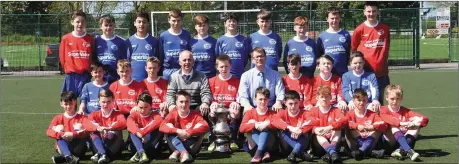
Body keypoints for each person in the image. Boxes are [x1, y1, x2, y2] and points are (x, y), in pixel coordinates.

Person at [351, 1, 391, 105]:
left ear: (378, 12)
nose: (371, 14)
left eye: (374, 11)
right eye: (369, 11)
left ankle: (380, 121)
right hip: (365, 73)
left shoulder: (385, 28)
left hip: (381, 72)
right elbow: (354, 49)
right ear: (364, 12)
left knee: (380, 102)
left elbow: (386, 48)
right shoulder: (359, 29)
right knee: (363, 101)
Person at [379, 84, 429, 161]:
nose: (395, 101)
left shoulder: (406, 111)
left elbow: (425, 119)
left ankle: (400, 150)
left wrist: (415, 123)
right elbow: (389, 119)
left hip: (403, 141)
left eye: (397, 99)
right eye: (392, 99)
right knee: (393, 126)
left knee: (416, 126)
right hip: (389, 143)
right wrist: (403, 123)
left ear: (401, 98)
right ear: (386, 98)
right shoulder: (383, 109)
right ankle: (408, 150)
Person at [159, 90, 210, 163]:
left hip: (191, 147)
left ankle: (178, 152)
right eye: (181, 102)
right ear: (176, 102)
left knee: (199, 128)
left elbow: (206, 126)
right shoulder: (173, 114)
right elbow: (162, 126)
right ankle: (184, 153)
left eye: (186, 102)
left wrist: (190, 132)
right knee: (169, 127)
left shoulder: (196, 114)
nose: (184, 104)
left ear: (190, 103)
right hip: (175, 144)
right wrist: (177, 131)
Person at [341, 88, 386, 160]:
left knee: (378, 129)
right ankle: (368, 151)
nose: (361, 103)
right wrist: (357, 126)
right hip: (355, 144)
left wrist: (372, 127)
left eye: (364, 100)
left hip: (370, 141)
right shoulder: (349, 113)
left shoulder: (372, 114)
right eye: (359, 100)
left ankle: (361, 151)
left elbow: (383, 124)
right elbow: (345, 122)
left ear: (367, 101)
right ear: (354, 101)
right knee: (350, 128)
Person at [304, 85, 345, 163]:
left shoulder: (336, 110)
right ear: (317, 98)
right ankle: (332, 152)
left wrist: (330, 127)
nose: (324, 99)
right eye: (322, 96)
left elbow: (343, 120)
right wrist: (315, 129)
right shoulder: (312, 111)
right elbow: (308, 123)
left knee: (338, 129)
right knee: (319, 133)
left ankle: (330, 154)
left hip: (333, 140)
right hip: (319, 144)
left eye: (326, 96)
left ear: (331, 97)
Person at [46, 91, 90, 164]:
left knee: (79, 126)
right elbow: (48, 131)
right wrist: (61, 134)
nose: (68, 106)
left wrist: (73, 134)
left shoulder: (82, 117)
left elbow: (89, 130)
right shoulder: (58, 118)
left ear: (75, 102)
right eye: (66, 104)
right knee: (59, 128)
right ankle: (68, 156)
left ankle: (65, 157)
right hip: (62, 148)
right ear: (61, 103)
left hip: (78, 148)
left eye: (70, 104)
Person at [208, 54, 241, 151]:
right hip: (218, 110)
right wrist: (212, 102)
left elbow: (241, 96)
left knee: (235, 111)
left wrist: (237, 102)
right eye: (221, 66)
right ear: (217, 67)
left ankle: (232, 139)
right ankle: (214, 139)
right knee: (211, 112)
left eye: (226, 66)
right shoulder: (211, 81)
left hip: (230, 110)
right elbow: (208, 95)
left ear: (230, 66)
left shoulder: (237, 81)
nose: (224, 69)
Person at [59, 10, 95, 97]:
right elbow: (62, 57)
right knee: (70, 101)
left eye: (82, 21)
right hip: (71, 76)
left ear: (85, 23)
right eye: (77, 22)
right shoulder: (66, 38)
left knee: (85, 101)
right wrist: (67, 69)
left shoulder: (90, 39)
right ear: (72, 22)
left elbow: (93, 56)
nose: (80, 24)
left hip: (86, 75)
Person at [238, 47, 285, 113]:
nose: (259, 59)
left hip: (271, 109)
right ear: (252, 60)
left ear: (265, 58)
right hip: (252, 109)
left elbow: (280, 92)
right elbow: (242, 95)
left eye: (261, 56)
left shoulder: (275, 75)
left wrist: (278, 102)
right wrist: (247, 105)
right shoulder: (245, 76)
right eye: (256, 57)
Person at [165, 50, 212, 116]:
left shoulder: (202, 76)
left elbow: (206, 92)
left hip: (197, 107)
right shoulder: (174, 77)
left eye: (189, 60)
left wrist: (205, 103)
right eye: (184, 60)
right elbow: (170, 94)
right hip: (180, 107)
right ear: (180, 62)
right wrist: (171, 105)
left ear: (193, 62)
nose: (187, 62)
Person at [85, 89, 126, 163]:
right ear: (99, 101)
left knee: (117, 130)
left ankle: (101, 154)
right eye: (103, 102)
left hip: (113, 148)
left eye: (108, 102)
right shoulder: (93, 114)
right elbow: (87, 125)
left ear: (113, 101)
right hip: (98, 146)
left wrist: (108, 128)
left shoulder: (118, 114)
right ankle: (102, 153)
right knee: (93, 131)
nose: (106, 104)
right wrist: (98, 128)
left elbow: (123, 123)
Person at [271, 90, 313, 162]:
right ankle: (300, 153)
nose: (293, 106)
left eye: (296, 103)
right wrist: (290, 128)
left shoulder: (305, 113)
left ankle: (293, 154)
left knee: (304, 133)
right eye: (290, 104)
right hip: (286, 146)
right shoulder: (283, 113)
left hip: (302, 142)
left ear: (300, 102)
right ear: (285, 103)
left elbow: (312, 121)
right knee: (283, 131)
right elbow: (273, 120)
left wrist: (301, 130)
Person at [239, 88, 278, 163]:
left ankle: (259, 153)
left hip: (270, 145)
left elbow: (277, 125)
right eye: (260, 99)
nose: (263, 102)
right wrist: (255, 125)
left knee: (265, 129)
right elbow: (241, 129)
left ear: (269, 100)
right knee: (252, 128)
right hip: (253, 147)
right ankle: (264, 152)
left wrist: (267, 123)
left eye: (265, 99)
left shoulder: (273, 113)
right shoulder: (249, 113)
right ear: (255, 99)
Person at [127, 92, 164, 163]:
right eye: (140, 107)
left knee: (158, 131)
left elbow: (159, 121)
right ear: (137, 105)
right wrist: (138, 133)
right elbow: (129, 124)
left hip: (151, 146)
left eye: (146, 107)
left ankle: (139, 153)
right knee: (131, 130)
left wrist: (142, 132)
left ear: (151, 106)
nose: (143, 110)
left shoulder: (156, 115)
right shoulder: (134, 114)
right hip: (137, 144)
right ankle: (141, 152)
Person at [317, 7, 351, 77]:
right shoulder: (322, 36)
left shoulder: (346, 34)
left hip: (343, 72)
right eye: (332, 18)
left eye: (337, 18)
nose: (334, 20)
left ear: (340, 19)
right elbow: (319, 55)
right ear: (327, 19)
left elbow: (348, 52)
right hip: (327, 73)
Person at [126, 11, 159, 82]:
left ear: (147, 23)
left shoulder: (154, 41)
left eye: (144, 22)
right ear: (135, 23)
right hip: (133, 81)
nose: (141, 24)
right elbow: (126, 62)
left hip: (150, 81)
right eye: (139, 22)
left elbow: (157, 62)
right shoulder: (128, 41)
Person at [159, 9, 191, 80]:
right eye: (173, 20)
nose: (176, 23)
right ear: (169, 20)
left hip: (183, 70)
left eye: (178, 20)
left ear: (182, 21)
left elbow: (190, 53)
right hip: (167, 71)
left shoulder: (187, 34)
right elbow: (160, 56)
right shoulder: (163, 36)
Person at [95, 14, 127, 84]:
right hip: (100, 78)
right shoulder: (95, 41)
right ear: (101, 26)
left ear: (114, 26)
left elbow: (123, 61)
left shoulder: (121, 42)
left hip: (115, 78)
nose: (108, 27)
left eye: (111, 25)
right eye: (106, 25)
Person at [215, 13, 249, 78]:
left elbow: (245, 59)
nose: (231, 23)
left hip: (239, 75)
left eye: (234, 21)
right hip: (225, 75)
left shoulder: (244, 39)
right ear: (225, 24)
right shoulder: (220, 40)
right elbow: (218, 58)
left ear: (237, 23)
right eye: (229, 21)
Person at [189, 14, 217, 78]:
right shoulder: (190, 42)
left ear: (207, 26)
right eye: (199, 26)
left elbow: (217, 59)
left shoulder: (214, 41)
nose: (202, 28)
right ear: (195, 27)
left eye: (204, 25)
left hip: (210, 75)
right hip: (194, 75)